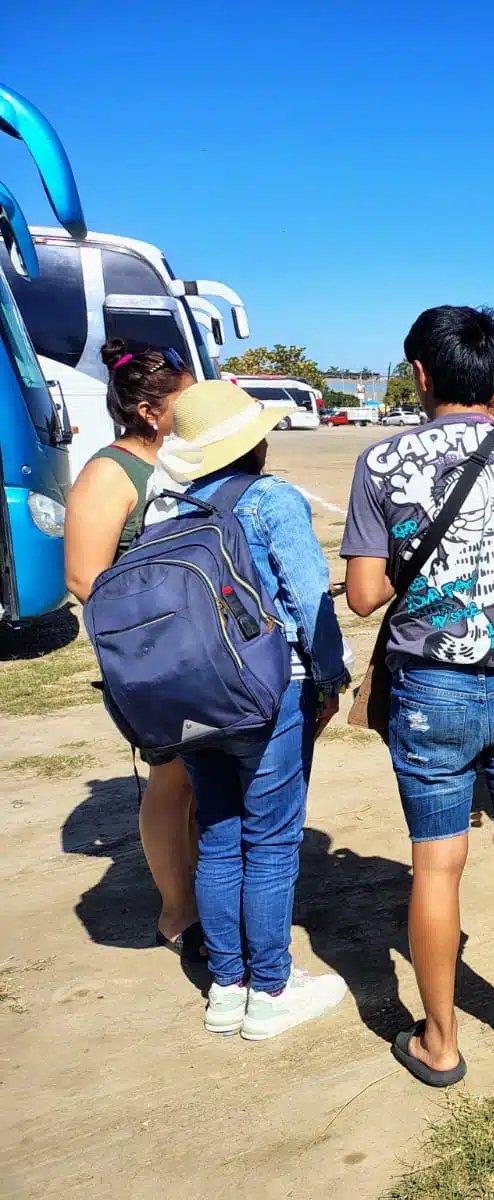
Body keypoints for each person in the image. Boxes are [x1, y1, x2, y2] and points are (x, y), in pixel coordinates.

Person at [342, 306, 494, 1086]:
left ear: (422, 373)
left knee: (436, 866)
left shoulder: (378, 465)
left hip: (429, 692)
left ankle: (441, 1043)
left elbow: (362, 597)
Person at [156, 379, 350, 1039]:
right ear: (253, 441)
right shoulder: (271, 500)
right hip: (268, 693)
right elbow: (309, 597)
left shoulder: (167, 510)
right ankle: (270, 989)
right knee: (271, 843)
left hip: (190, 697)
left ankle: (226, 986)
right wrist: (331, 679)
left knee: (218, 836)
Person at [62, 340, 201, 957]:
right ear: (149, 411)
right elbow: (84, 576)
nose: (194, 409)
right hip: (152, 655)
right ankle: (178, 913)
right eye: (184, 400)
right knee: (170, 780)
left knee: (199, 778)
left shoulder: (175, 459)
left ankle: (202, 891)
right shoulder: (110, 473)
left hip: (194, 649)